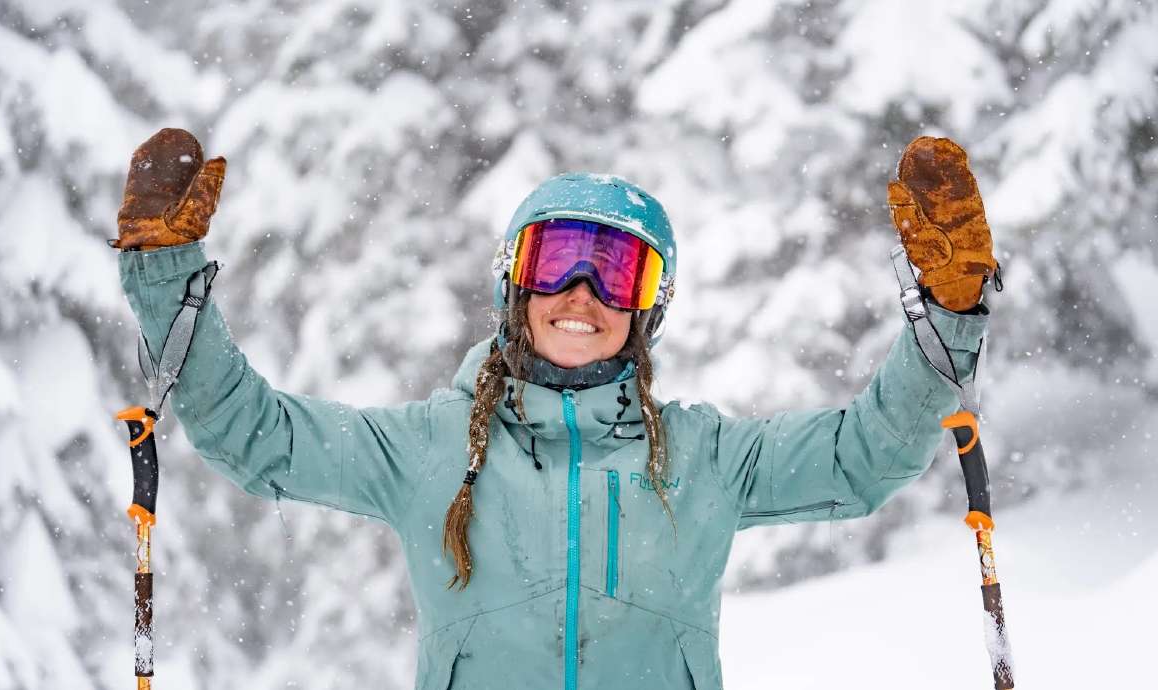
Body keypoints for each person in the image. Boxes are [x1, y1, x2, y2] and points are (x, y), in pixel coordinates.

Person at [113, 129, 996, 689]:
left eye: (616, 273)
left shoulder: (704, 459)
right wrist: (165, 275)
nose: (582, 293)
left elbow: (861, 457)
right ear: (515, 284)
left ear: (647, 308)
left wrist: (949, 311)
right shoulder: (428, 450)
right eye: (558, 262)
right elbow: (254, 435)